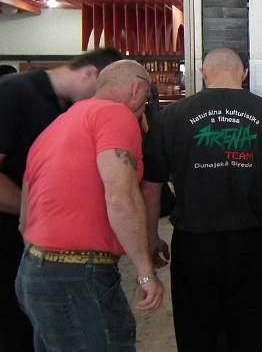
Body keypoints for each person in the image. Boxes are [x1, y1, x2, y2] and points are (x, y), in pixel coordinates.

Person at [142, 48, 262, 352]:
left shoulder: (172, 116)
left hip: (193, 243)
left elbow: (151, 188)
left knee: (196, 332)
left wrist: (151, 238)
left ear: (203, 74)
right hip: (248, 242)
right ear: (244, 74)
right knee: (247, 333)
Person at [16, 60, 164, 351]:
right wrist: (145, 273)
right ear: (137, 89)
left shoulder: (59, 124)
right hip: (78, 276)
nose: (144, 110)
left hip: (34, 272)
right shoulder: (115, 115)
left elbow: (25, 214)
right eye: (146, 100)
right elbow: (121, 197)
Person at [0, 48, 121, 352]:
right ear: (90, 73)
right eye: (103, 91)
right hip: (12, 242)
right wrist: (34, 211)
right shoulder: (14, 93)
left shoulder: (63, 107)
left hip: (41, 244)